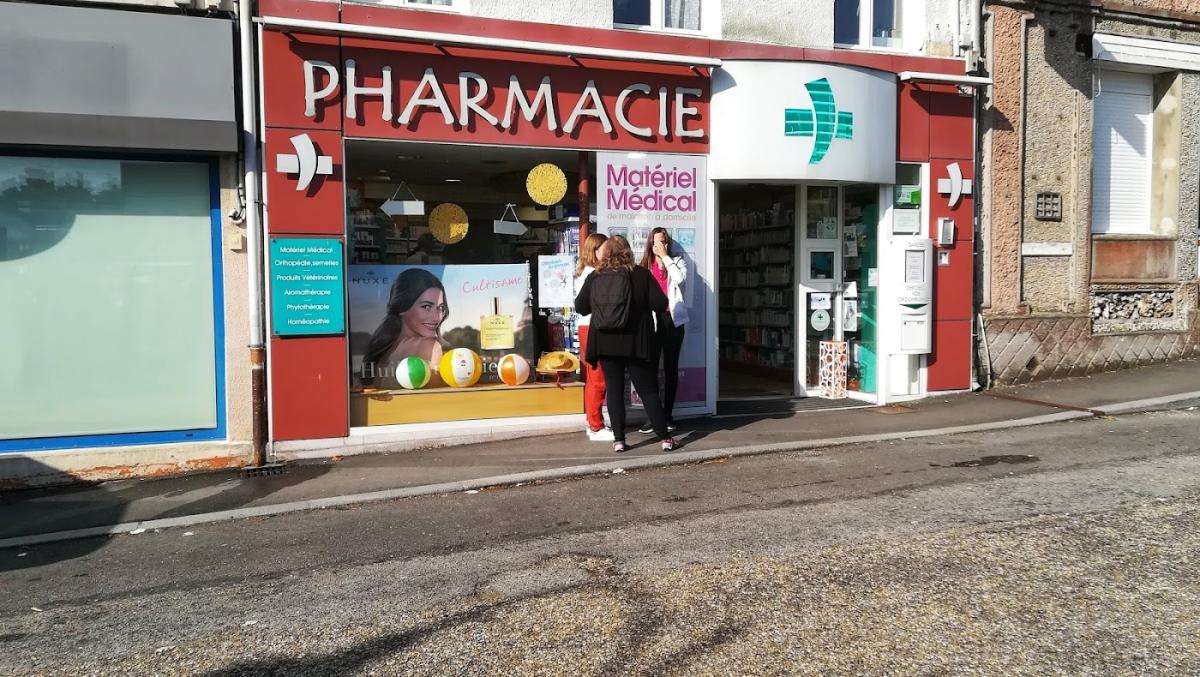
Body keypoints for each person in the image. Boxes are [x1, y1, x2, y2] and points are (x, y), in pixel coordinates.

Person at [575, 235, 679, 453]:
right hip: (636, 343)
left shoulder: (596, 275)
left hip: (605, 342)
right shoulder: (640, 275)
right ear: (628, 252)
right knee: (648, 390)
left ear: (606, 253)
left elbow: (581, 307)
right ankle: (665, 438)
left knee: (614, 390)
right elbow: (661, 303)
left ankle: (619, 440)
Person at [639, 227, 689, 433]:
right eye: (657, 242)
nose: (661, 246)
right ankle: (654, 416)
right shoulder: (644, 267)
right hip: (652, 320)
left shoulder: (677, 262)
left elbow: (679, 279)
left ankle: (668, 415)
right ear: (650, 244)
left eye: (665, 242)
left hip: (673, 319)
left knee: (671, 369)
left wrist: (666, 257)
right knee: (650, 369)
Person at [362, 268, 449, 385]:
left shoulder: (381, 345)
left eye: (441, 308)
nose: (436, 317)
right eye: (427, 306)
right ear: (402, 307)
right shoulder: (430, 347)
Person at [575, 233, 613, 442]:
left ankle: (594, 422)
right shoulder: (592, 274)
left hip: (587, 328)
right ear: (596, 250)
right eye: (605, 249)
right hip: (592, 328)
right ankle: (595, 426)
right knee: (598, 378)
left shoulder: (585, 271)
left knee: (594, 377)